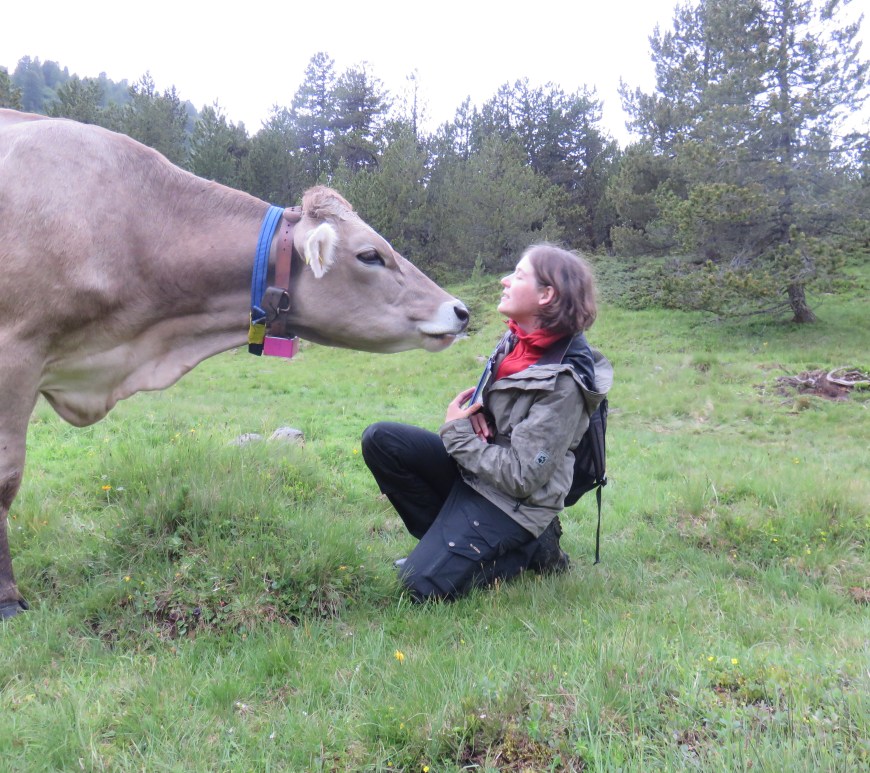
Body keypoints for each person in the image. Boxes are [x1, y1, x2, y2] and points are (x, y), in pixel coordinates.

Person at [361, 243, 611, 601]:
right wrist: (478, 409)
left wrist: (458, 433)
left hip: (514, 501)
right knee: (382, 441)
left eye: (519, 275)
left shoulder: (566, 382)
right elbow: (502, 401)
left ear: (546, 294)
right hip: (477, 475)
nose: (504, 280)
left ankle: (527, 551)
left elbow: (522, 477)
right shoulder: (516, 339)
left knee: (418, 588)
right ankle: (447, 543)